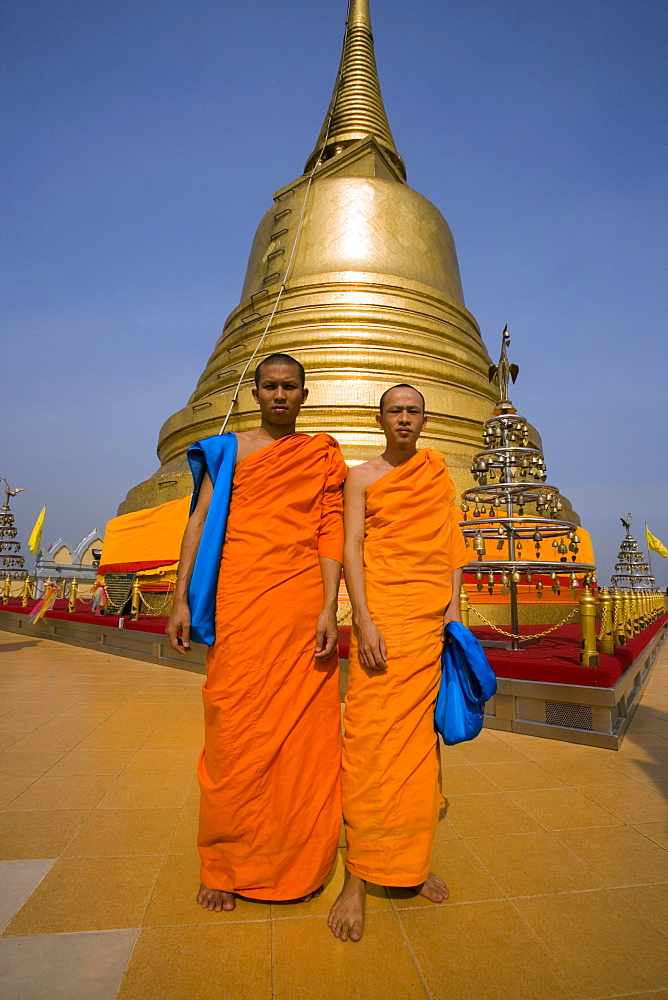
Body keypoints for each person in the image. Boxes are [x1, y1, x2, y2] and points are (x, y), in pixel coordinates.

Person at [166, 353, 347, 911]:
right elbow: (198, 522)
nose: (279, 395)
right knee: (233, 735)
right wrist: (178, 598)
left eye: (289, 387)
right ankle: (224, 863)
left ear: (303, 395)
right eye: (269, 386)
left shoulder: (319, 456)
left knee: (302, 740)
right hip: (241, 606)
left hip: (297, 609)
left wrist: (327, 608)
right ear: (254, 393)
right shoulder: (228, 452)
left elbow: (328, 532)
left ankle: (298, 859)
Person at [328, 384, 468, 942]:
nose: (404, 419)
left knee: (416, 754)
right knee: (368, 747)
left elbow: (452, 552)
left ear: (425, 420)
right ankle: (356, 879)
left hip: (428, 625)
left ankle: (408, 864)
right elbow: (352, 546)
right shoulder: (360, 477)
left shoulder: (438, 474)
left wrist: (453, 621)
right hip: (383, 622)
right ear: (380, 419)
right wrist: (361, 618)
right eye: (395, 411)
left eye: (413, 411)